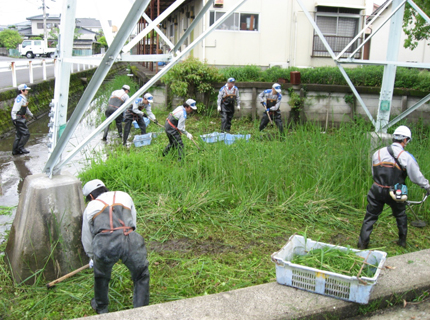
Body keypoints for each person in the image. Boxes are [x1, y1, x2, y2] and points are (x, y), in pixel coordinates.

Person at [81, 179, 150, 314]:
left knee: (101, 276)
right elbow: (133, 221)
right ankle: (141, 310)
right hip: (129, 236)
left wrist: (92, 256)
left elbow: (87, 236)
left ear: (91, 196)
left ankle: (101, 308)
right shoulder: (124, 196)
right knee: (141, 274)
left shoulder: (91, 207)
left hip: (104, 244)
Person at [358, 126, 430, 249]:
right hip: (396, 192)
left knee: (370, 216)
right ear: (405, 140)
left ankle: (362, 244)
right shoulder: (406, 156)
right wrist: (427, 186)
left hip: (376, 189)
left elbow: (374, 172)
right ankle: (402, 242)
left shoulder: (378, 152)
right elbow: (416, 177)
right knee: (400, 215)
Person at [11, 84, 36, 155]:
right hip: (18, 118)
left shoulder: (23, 98)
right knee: (26, 133)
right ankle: (20, 147)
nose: (27, 91)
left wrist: (31, 115)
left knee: (19, 134)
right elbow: (14, 110)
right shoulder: (19, 99)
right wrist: (14, 119)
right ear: (22, 91)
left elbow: (25, 108)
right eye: (26, 90)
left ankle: (15, 151)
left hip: (20, 118)